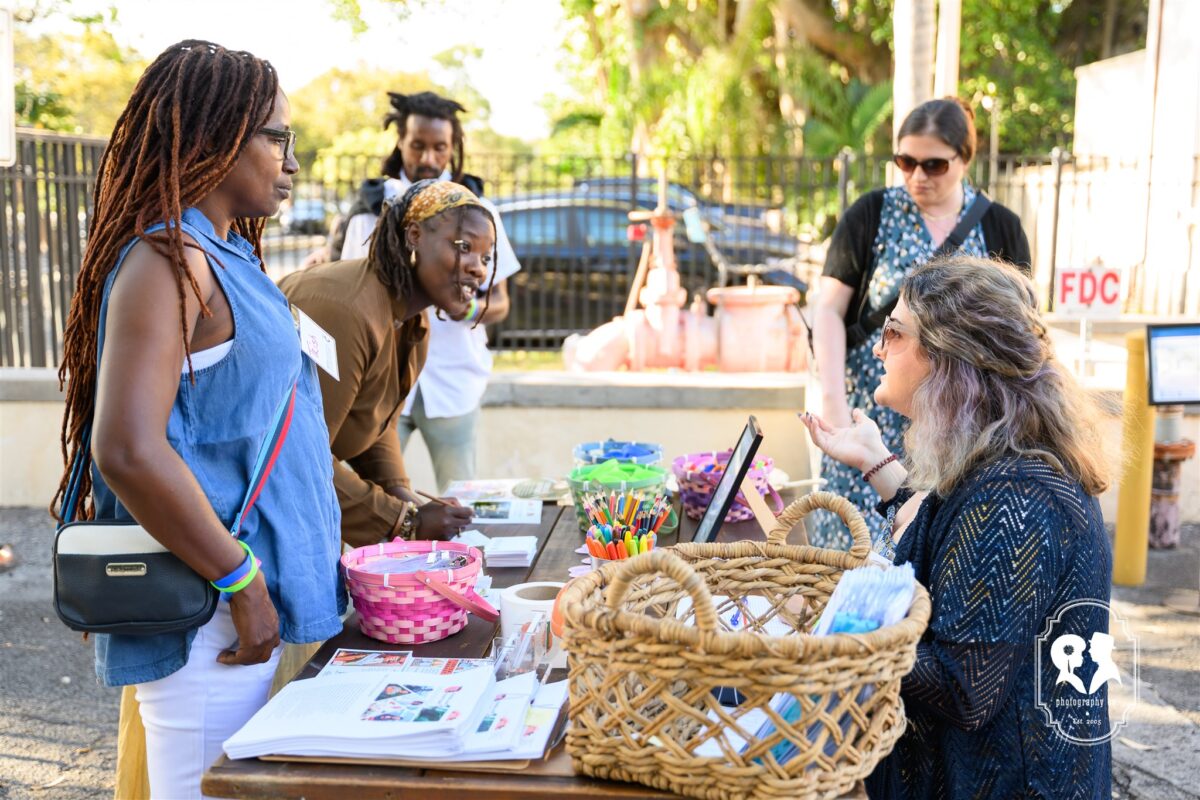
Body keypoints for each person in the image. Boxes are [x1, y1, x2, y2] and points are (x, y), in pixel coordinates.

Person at [52, 41, 344, 799]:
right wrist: (241, 581)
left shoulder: (225, 254)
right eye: (276, 137)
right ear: (212, 136)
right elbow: (127, 448)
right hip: (208, 607)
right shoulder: (167, 262)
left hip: (244, 596)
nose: (291, 159)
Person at [801, 256, 1111, 799]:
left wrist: (827, 643)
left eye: (893, 334)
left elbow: (964, 686)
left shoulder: (1014, 499)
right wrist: (877, 463)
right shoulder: (995, 464)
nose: (877, 349)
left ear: (949, 357)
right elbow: (945, 533)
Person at [809, 97, 1031, 550]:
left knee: (935, 556)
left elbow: (1019, 333)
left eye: (933, 165)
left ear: (964, 159)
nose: (916, 177)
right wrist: (833, 403)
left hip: (960, 431)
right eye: (905, 162)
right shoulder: (870, 215)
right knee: (851, 558)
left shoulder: (1000, 228)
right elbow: (828, 309)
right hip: (869, 414)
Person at [278, 179, 495, 547]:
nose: (478, 268)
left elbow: (375, 424)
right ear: (413, 236)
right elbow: (296, 457)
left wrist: (404, 497)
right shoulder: (345, 311)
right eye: (464, 247)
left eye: (486, 257)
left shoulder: (414, 323)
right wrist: (404, 521)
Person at [325, 90, 521, 492]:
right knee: (376, 498)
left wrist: (466, 309)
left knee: (460, 498)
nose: (429, 159)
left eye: (439, 147)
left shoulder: (478, 212)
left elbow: (499, 301)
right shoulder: (369, 210)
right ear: (400, 143)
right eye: (418, 145)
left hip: (453, 381)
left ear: (453, 148)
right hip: (380, 381)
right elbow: (351, 291)